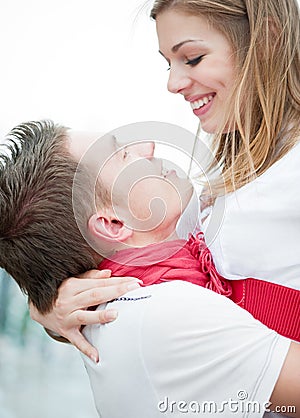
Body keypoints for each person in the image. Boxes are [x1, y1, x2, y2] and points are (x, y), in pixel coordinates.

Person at [30, 0, 300, 360]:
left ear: (267, 40)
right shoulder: (219, 182)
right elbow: (147, 267)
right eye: (168, 63)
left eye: (192, 57)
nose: (173, 83)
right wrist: (50, 308)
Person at [0, 120, 299, 418]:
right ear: (113, 224)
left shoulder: (138, 296)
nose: (149, 146)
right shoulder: (168, 312)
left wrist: (43, 305)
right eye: (123, 156)